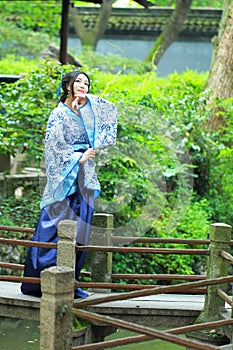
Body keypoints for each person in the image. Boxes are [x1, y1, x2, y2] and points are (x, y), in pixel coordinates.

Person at [21, 71, 118, 298]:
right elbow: (52, 148)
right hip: (65, 179)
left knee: (81, 233)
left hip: (84, 179)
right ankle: (41, 282)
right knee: (54, 229)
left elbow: (110, 110)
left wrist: (87, 103)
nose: (83, 85)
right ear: (67, 86)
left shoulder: (87, 111)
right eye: (78, 82)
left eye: (87, 83)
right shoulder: (58, 114)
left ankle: (71, 282)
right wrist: (78, 158)